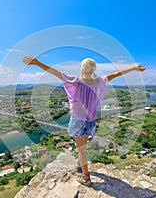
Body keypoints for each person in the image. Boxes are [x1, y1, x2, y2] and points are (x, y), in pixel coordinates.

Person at [23, 56, 146, 186]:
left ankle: (86, 177)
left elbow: (54, 72)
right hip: (91, 120)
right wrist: (134, 68)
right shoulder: (100, 81)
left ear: (82, 68)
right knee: (83, 147)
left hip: (78, 120)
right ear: (94, 69)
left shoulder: (75, 81)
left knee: (81, 150)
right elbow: (118, 73)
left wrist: (36, 63)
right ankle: (80, 164)